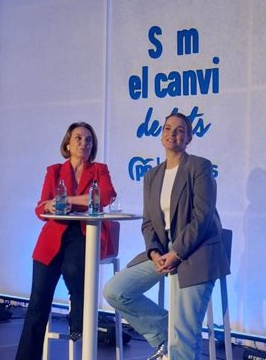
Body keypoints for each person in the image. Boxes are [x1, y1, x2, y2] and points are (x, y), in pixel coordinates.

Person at [103, 112, 230, 360]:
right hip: (164, 251)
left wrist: (177, 252)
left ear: (189, 138)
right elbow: (149, 221)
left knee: (183, 337)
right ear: (161, 136)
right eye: (168, 128)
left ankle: (177, 335)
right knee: (116, 291)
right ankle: (165, 332)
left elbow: (202, 217)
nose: (173, 133)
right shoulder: (152, 176)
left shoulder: (199, 166)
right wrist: (154, 252)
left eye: (180, 130)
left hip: (196, 251)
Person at [16, 121, 116, 360]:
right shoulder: (54, 171)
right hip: (53, 237)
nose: (84, 143)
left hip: (83, 233)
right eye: (79, 139)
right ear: (68, 144)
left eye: (88, 140)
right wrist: (49, 204)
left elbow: (105, 196)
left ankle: (79, 320)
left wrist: (68, 199)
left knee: (73, 269)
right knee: (38, 302)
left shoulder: (99, 169)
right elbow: (41, 208)